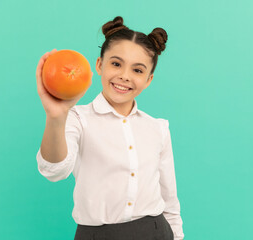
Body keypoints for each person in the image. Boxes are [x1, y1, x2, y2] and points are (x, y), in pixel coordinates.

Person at [35, 16, 184, 240]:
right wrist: (56, 116)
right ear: (99, 65)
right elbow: (54, 171)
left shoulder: (158, 128)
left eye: (138, 70)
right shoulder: (77, 119)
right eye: (116, 64)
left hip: (156, 233)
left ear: (149, 79)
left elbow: (170, 199)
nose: (124, 76)